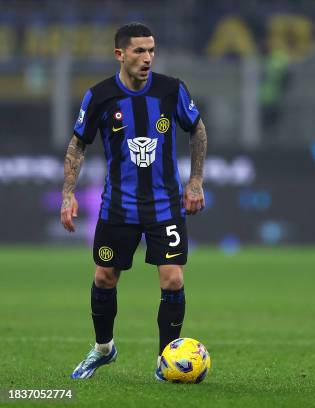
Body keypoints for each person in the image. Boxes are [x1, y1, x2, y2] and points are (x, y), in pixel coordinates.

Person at [60, 22, 207, 381]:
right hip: (118, 207)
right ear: (120, 54)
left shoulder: (171, 90)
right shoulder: (100, 96)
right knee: (105, 277)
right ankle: (103, 349)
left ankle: (166, 361)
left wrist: (196, 181)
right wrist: (68, 193)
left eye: (152, 50)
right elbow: (78, 144)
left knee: (173, 281)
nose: (147, 58)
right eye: (139, 51)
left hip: (165, 206)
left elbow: (197, 129)